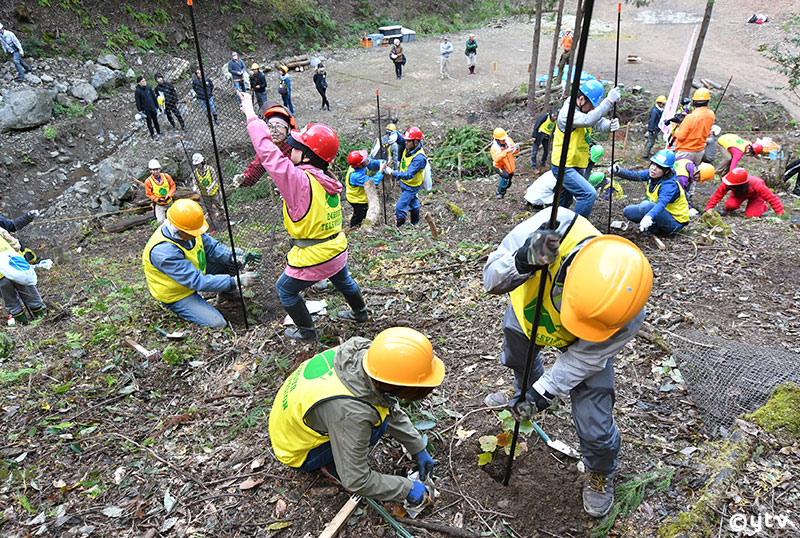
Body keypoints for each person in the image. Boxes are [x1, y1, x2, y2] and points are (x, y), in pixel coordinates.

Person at [483, 208, 652, 517]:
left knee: (595, 422)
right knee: (519, 361)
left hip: (585, 350)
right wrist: (521, 262)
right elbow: (491, 278)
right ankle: (521, 390)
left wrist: (543, 394)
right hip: (528, 315)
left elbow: (583, 359)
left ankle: (600, 470)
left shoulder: (627, 310)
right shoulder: (550, 226)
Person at [240, 90, 369, 340]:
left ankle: (308, 334)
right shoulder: (326, 178)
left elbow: (268, 154)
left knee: (285, 290)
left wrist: (251, 117)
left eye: (296, 147)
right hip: (336, 247)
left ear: (307, 155)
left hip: (314, 253)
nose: (291, 149)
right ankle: (360, 312)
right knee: (343, 280)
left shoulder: (299, 180)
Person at [268, 327, 444, 503]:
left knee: (376, 415)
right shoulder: (352, 413)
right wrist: (406, 489)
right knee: (377, 426)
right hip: (296, 450)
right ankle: (333, 466)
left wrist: (417, 447)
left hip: (290, 423)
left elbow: (385, 403)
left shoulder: (364, 357)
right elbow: (357, 480)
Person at [142, 199, 261, 328]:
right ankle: (180, 308)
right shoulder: (164, 251)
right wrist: (235, 281)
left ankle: (228, 296)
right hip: (177, 295)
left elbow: (212, 248)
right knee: (218, 323)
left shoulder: (189, 228)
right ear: (179, 230)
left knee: (231, 262)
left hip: (194, 272)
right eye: (194, 232)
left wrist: (236, 256)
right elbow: (196, 281)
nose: (198, 234)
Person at [551, 79, 621, 218]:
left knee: (564, 200)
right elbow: (587, 120)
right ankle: (576, 229)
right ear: (581, 99)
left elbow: (596, 122)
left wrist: (609, 125)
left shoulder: (582, 110)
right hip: (563, 165)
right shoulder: (567, 113)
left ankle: (553, 225)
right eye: (592, 105)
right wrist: (608, 102)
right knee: (588, 194)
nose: (594, 109)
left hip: (575, 164)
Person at [613, 149, 689, 236]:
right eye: (653, 164)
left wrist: (649, 216)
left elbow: (661, 204)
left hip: (674, 222)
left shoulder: (669, 185)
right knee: (628, 211)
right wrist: (618, 171)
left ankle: (654, 229)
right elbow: (636, 175)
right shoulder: (652, 174)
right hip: (660, 213)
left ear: (667, 171)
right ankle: (652, 224)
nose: (654, 168)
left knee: (646, 205)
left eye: (659, 166)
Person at [239, 103, 296, 188]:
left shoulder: (295, 150)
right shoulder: (267, 149)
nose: (274, 130)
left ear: (288, 130)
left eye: (279, 126)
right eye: (270, 126)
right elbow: (256, 169)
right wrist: (243, 179)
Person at [0, 226, 45, 325]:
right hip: (15, 267)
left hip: (1, 277)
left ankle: (24, 325)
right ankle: (42, 320)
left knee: (11, 302)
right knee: (31, 295)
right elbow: (16, 245)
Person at [385, 126, 427, 227]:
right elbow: (401, 139)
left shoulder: (419, 158)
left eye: (408, 141)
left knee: (400, 207)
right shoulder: (409, 145)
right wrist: (395, 133)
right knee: (413, 203)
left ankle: (400, 226)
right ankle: (415, 222)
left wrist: (392, 172)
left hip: (411, 185)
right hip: (406, 184)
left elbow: (408, 174)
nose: (405, 142)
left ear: (416, 143)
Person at [704, 167, 785, 218]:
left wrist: (780, 213)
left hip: (756, 196)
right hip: (739, 194)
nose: (728, 186)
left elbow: (772, 198)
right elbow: (717, 195)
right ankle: (728, 210)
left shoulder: (757, 183)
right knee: (730, 204)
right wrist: (708, 209)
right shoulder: (728, 181)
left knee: (751, 216)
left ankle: (763, 206)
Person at [673, 88, 715, 167]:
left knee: (680, 176)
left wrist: (677, 127)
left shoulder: (691, 117)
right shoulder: (711, 114)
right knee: (692, 175)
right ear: (707, 102)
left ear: (694, 102)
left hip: (686, 151)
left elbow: (680, 136)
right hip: (699, 151)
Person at [345, 150, 386, 229]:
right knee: (360, 215)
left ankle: (357, 227)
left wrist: (383, 162)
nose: (367, 160)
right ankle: (355, 229)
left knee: (359, 214)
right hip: (357, 199)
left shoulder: (362, 164)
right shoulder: (355, 175)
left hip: (361, 196)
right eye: (365, 160)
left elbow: (372, 163)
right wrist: (381, 170)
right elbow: (373, 182)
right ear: (360, 165)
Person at [190, 152, 223, 221]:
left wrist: (211, 187)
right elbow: (195, 182)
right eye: (196, 165)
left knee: (218, 204)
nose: (197, 166)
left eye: (198, 164)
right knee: (208, 207)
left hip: (213, 191)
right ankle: (213, 219)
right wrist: (195, 188)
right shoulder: (195, 173)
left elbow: (215, 179)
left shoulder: (210, 169)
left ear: (202, 162)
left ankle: (222, 214)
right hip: (204, 193)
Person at [144, 159, 175, 224]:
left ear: (160, 169)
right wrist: (157, 199)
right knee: (161, 221)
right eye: (153, 170)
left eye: (157, 169)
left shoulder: (166, 176)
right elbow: (149, 194)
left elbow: (172, 186)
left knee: (174, 219)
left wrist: (169, 195)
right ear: (150, 171)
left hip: (169, 202)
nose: (156, 171)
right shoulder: (148, 181)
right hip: (159, 204)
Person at [492, 128, 520, 199]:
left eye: (504, 139)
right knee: (505, 177)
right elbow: (496, 159)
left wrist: (517, 149)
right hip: (499, 166)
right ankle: (499, 193)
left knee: (509, 181)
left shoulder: (509, 140)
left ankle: (503, 190)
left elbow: (515, 151)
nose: (504, 140)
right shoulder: (494, 148)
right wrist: (506, 151)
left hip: (509, 165)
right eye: (502, 140)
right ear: (497, 140)